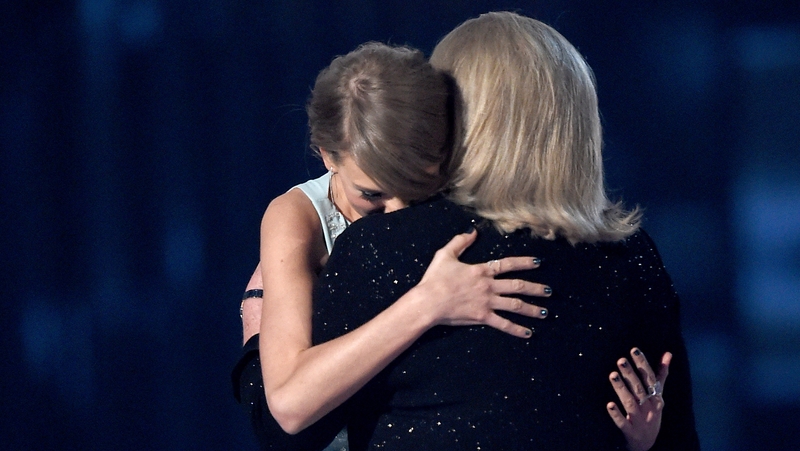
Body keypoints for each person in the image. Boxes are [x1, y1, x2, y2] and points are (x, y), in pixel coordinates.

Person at [307, 12, 700, 450]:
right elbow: (673, 435)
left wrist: (259, 313)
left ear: (453, 120)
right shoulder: (631, 258)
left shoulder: (379, 246)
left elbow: (292, 428)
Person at [233, 41, 552, 451]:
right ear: (328, 155)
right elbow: (290, 403)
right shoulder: (296, 217)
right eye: (373, 194)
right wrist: (428, 304)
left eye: (417, 187)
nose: (399, 210)